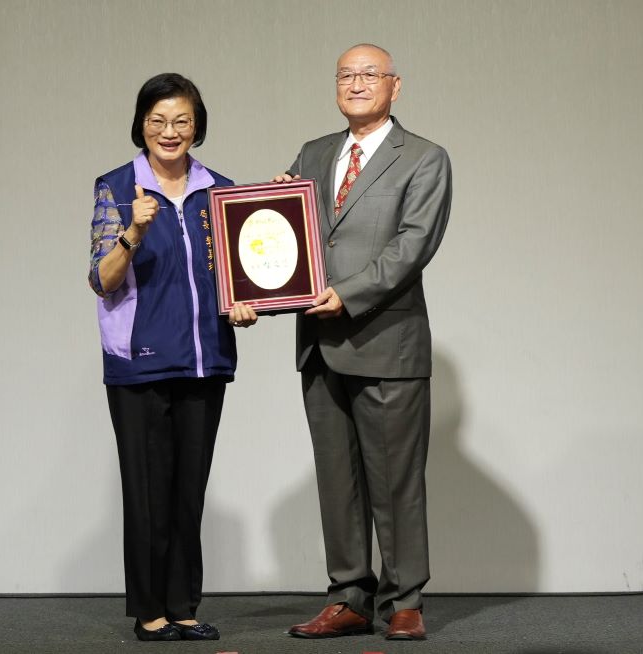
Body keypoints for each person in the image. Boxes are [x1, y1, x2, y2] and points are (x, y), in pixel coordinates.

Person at [273, 44, 452, 640]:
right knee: (337, 479)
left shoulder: (424, 158)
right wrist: (270, 214)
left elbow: (414, 244)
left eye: (368, 75)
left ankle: (405, 601)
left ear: (394, 86)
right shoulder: (314, 153)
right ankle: (348, 595)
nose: (356, 84)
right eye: (346, 75)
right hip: (319, 342)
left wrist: (347, 293)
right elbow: (287, 236)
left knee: (395, 479)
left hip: (386, 339)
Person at [88, 73, 257, 642]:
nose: (170, 131)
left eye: (181, 121)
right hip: (139, 362)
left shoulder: (221, 191)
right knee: (146, 491)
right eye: (158, 120)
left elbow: (240, 277)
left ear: (197, 127)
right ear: (140, 124)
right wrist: (133, 230)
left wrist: (246, 303)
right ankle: (149, 610)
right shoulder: (116, 187)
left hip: (205, 359)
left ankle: (184, 605)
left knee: (189, 488)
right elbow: (101, 279)